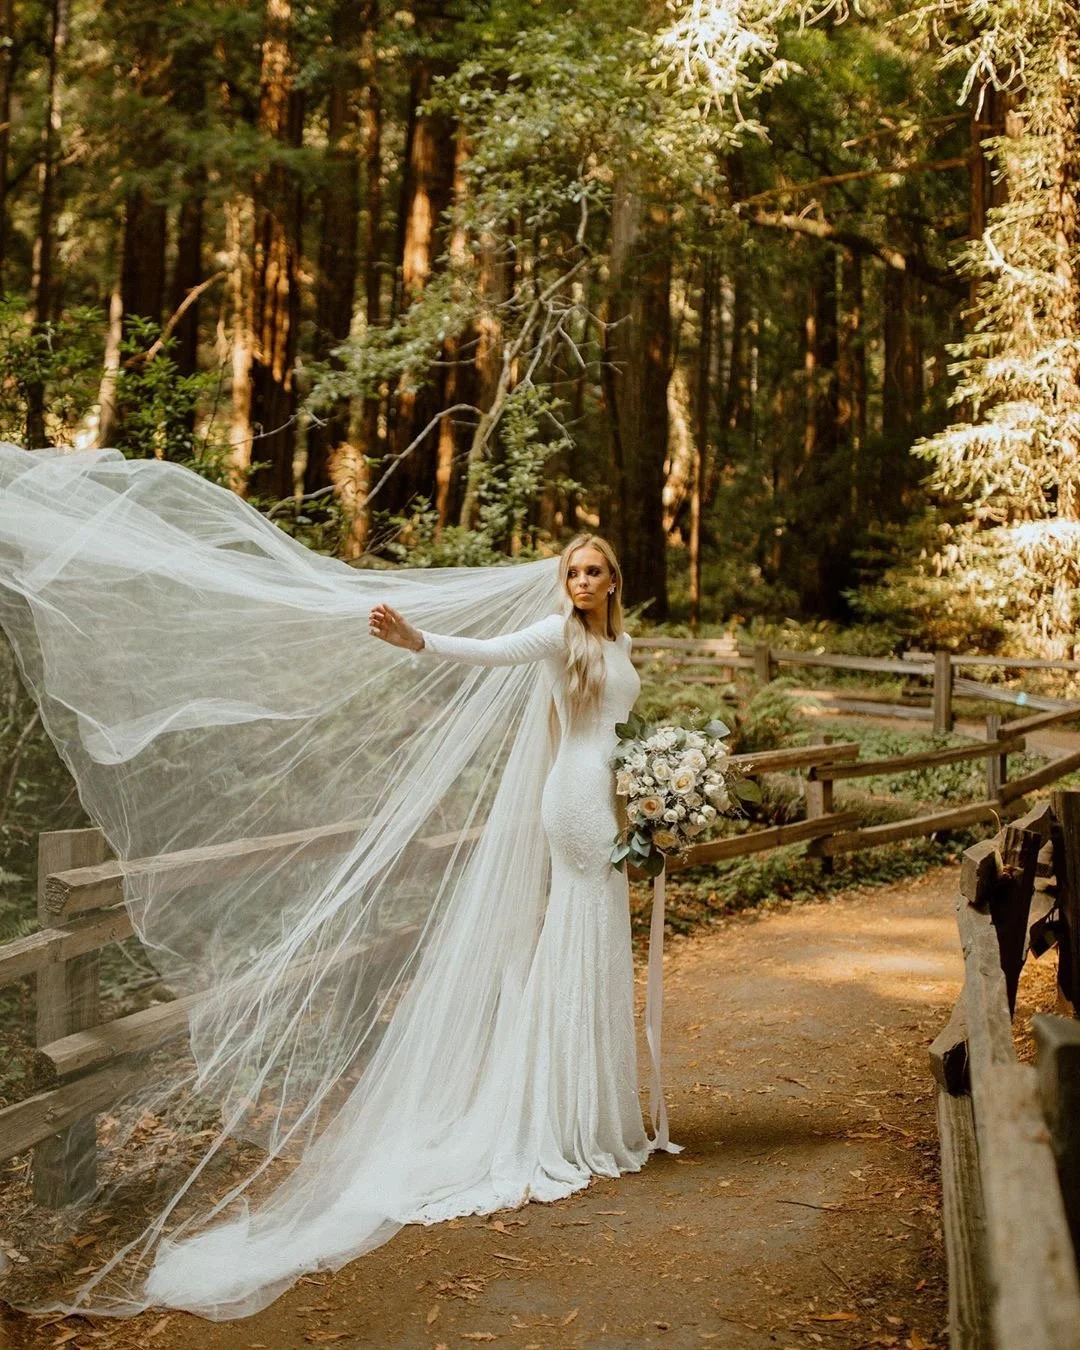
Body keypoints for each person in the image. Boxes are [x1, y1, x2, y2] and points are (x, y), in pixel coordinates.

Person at [0, 445, 673, 1321]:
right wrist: (416, 639)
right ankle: (562, 1122)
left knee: (592, 940)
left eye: (595, 570)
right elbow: (489, 652)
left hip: (606, 801)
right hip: (571, 807)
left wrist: (656, 793)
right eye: (573, 570)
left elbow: (619, 728)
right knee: (577, 936)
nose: (583, 580)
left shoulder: (617, 641)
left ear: (613, 580)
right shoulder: (554, 636)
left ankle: (592, 1114)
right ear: (565, 580)